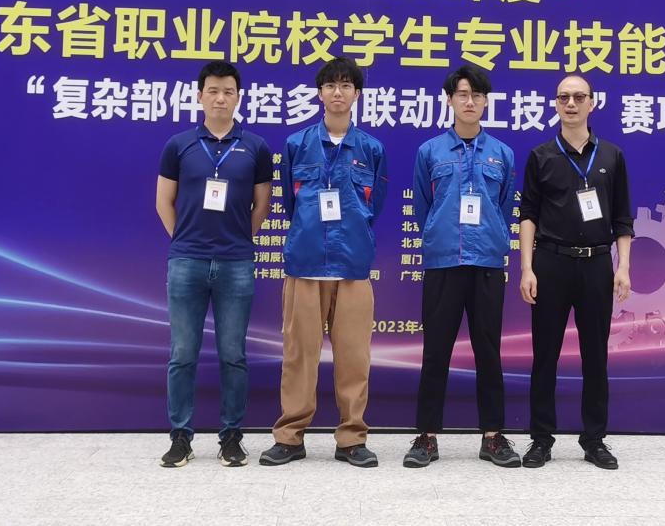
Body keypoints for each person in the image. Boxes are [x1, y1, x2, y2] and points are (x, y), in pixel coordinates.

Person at [259, 57, 388, 468]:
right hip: (305, 263)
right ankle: (290, 436)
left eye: (346, 85)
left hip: (353, 267)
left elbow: (375, 206)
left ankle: (351, 437)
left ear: (356, 94)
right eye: (330, 85)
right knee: (299, 355)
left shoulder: (371, 149)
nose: (337, 92)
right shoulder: (296, 144)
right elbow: (290, 201)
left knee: (354, 357)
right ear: (319, 94)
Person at [155, 61, 273, 468]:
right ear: (199, 96)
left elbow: (261, 205)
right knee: (182, 353)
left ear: (238, 97)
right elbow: (163, 201)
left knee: (233, 355)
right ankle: (180, 436)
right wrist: (185, 240)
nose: (221, 98)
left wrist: (238, 239)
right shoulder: (179, 145)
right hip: (186, 261)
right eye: (213, 91)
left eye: (228, 91)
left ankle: (231, 436)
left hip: (236, 262)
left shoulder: (255, 146)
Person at [403, 66, 520, 468]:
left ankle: (493, 437)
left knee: (489, 351)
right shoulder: (430, 151)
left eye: (477, 95)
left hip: (487, 262)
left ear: (486, 101)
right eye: (462, 94)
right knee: (436, 351)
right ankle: (426, 436)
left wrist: (491, 236)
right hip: (443, 262)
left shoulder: (502, 153)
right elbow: (423, 206)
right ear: (450, 100)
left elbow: (504, 207)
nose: (470, 102)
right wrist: (439, 234)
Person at [518, 74, 633, 470]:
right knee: (545, 355)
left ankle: (594, 439)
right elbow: (528, 215)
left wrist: (623, 267)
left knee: (595, 355)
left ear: (592, 103)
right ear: (555, 104)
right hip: (551, 263)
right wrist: (527, 267)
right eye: (564, 97)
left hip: (597, 264)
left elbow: (622, 218)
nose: (571, 104)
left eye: (579, 97)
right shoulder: (541, 156)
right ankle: (541, 439)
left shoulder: (612, 156)